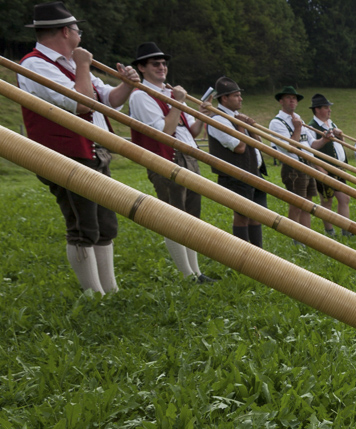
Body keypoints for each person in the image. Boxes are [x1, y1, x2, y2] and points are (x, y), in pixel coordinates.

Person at [18, 1, 141, 294]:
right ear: (65, 32)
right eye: (78, 30)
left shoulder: (72, 63)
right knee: (84, 225)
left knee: (105, 224)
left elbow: (108, 100)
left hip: (94, 150)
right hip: (66, 155)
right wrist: (84, 65)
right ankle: (93, 295)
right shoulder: (33, 64)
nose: (80, 36)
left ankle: (109, 291)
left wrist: (127, 84)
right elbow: (81, 103)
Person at [128, 41, 213, 282]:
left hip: (189, 157)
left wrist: (202, 116)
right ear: (141, 68)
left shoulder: (170, 93)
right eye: (155, 64)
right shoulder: (140, 96)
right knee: (174, 218)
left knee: (192, 218)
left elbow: (191, 131)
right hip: (166, 159)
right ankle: (187, 276)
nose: (162, 68)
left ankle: (196, 272)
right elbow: (164, 132)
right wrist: (177, 102)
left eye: (164, 64)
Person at [206, 76, 266, 248]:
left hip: (252, 172)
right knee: (242, 216)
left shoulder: (236, 117)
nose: (241, 99)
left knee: (257, 214)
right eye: (236, 95)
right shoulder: (218, 120)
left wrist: (250, 127)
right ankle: (242, 253)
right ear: (224, 99)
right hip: (236, 175)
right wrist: (241, 126)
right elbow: (239, 147)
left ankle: (258, 252)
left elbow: (259, 144)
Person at [268, 86, 318, 236]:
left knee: (307, 204)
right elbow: (290, 148)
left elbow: (312, 144)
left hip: (307, 165)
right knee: (297, 204)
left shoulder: (299, 119)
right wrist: (297, 129)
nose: (292, 100)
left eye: (294, 98)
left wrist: (325, 139)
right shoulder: (276, 122)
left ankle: (306, 237)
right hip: (293, 168)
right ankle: (293, 237)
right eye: (288, 98)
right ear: (281, 101)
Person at [306, 93, 352, 237]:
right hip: (325, 169)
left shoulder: (331, 124)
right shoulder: (311, 127)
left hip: (338, 168)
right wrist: (319, 169)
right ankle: (329, 231)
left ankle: (345, 230)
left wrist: (340, 135)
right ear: (317, 109)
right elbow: (310, 150)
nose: (329, 110)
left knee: (344, 198)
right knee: (327, 200)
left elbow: (342, 144)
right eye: (326, 107)